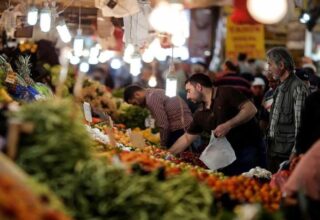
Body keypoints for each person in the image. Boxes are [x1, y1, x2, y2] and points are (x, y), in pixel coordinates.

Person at [169, 73, 265, 175]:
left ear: (198, 87)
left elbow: (251, 109)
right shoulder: (199, 113)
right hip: (227, 157)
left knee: (254, 184)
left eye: (189, 91)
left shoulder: (226, 92)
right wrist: (167, 154)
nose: (187, 96)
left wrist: (229, 125)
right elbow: (187, 138)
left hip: (249, 150)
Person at [266, 47, 309, 173]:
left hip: (287, 155)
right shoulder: (280, 87)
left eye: (270, 64)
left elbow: (301, 126)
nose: (268, 68)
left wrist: (294, 154)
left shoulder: (298, 88)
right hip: (274, 151)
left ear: (281, 65)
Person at [123, 85, 192, 148]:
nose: (137, 105)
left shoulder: (151, 99)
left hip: (181, 127)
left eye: (135, 103)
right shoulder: (153, 93)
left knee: (175, 155)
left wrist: (162, 145)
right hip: (185, 124)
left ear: (137, 94)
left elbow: (163, 125)